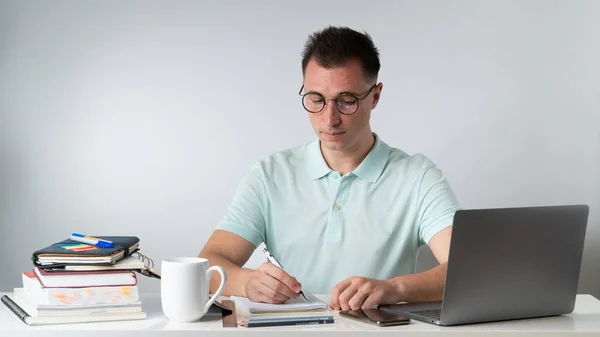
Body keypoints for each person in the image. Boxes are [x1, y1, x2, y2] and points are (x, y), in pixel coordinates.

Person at [199, 26, 461, 311]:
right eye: (316, 99)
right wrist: (246, 282)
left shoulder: (418, 177)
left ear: (375, 96)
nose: (329, 119)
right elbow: (208, 263)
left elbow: (466, 269)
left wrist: (393, 288)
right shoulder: (269, 175)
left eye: (346, 101)